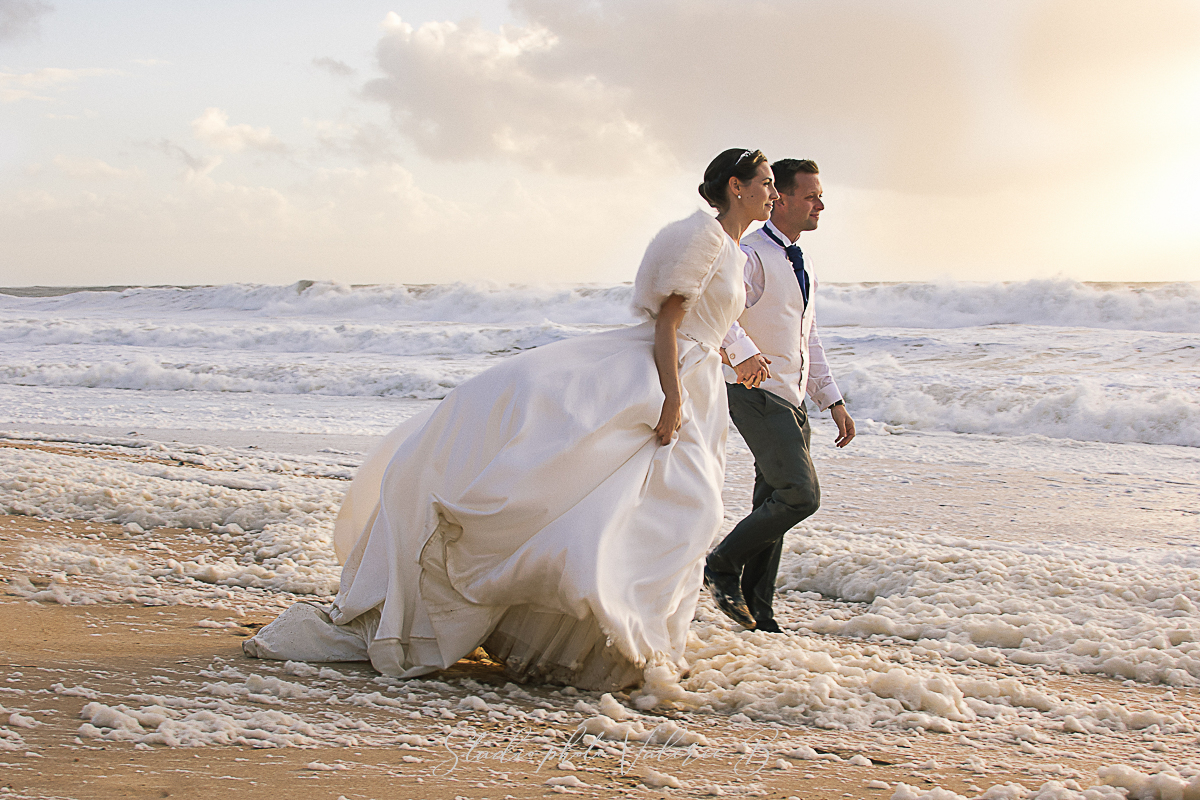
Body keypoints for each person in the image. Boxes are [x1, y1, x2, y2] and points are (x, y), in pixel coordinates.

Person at [244, 148, 779, 691]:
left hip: (702, 379)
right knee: (675, 507)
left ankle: (642, 643)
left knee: (680, 509)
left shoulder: (734, 250)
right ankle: (626, 636)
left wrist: (734, 358)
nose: (773, 193)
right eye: (766, 183)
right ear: (736, 186)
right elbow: (669, 322)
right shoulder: (704, 238)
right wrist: (670, 397)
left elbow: (711, 323)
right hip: (669, 376)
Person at [705, 158, 856, 633]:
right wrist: (744, 353)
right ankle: (720, 565)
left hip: (791, 398)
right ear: (782, 200)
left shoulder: (797, 258)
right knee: (799, 495)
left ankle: (758, 615)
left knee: (771, 501)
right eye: (810, 196)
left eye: (820, 195)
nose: (820, 204)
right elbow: (716, 308)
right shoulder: (749, 255)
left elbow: (806, 338)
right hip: (755, 392)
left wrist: (830, 398)